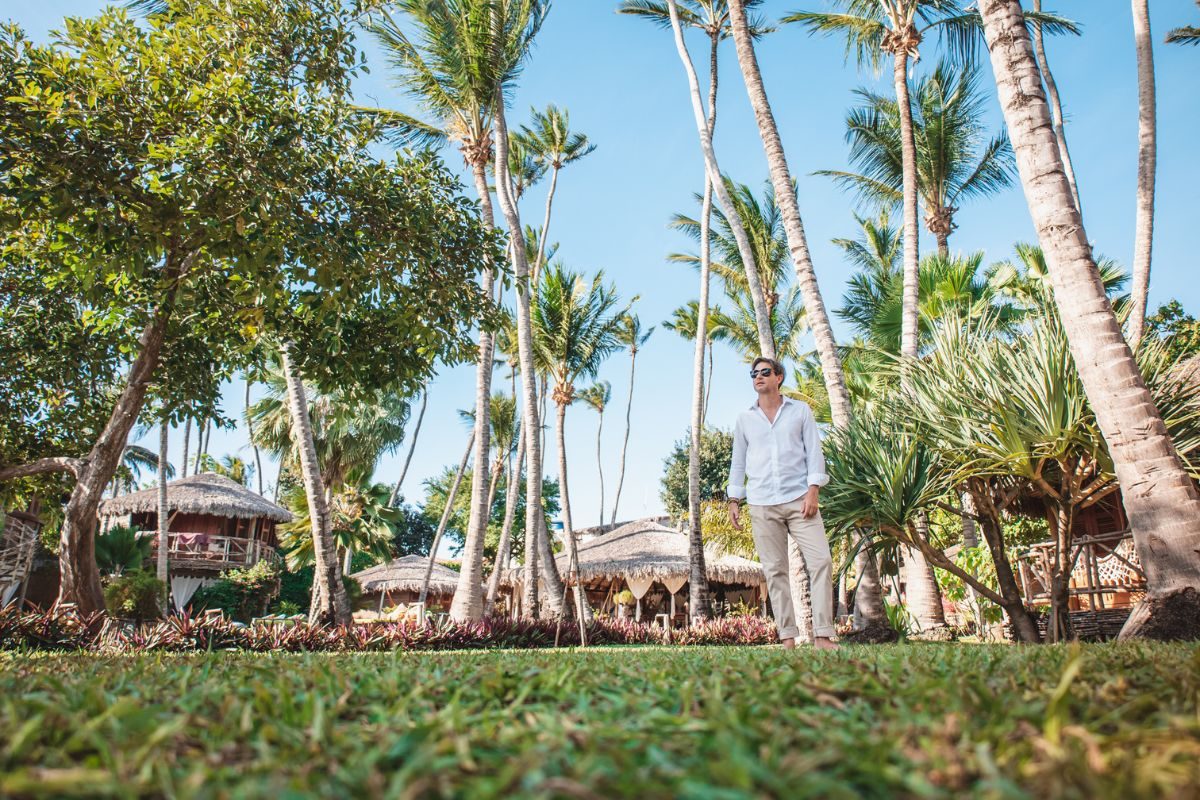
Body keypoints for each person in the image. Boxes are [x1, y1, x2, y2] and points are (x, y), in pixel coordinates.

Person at [727, 356, 838, 650]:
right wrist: (734, 498)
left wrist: (813, 489)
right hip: (762, 504)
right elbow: (738, 462)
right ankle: (787, 637)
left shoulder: (800, 411)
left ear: (779, 377)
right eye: (754, 373)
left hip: (800, 499)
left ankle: (823, 635)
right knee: (775, 571)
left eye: (765, 372)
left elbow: (814, 452)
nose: (758, 377)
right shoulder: (745, 419)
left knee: (821, 561)